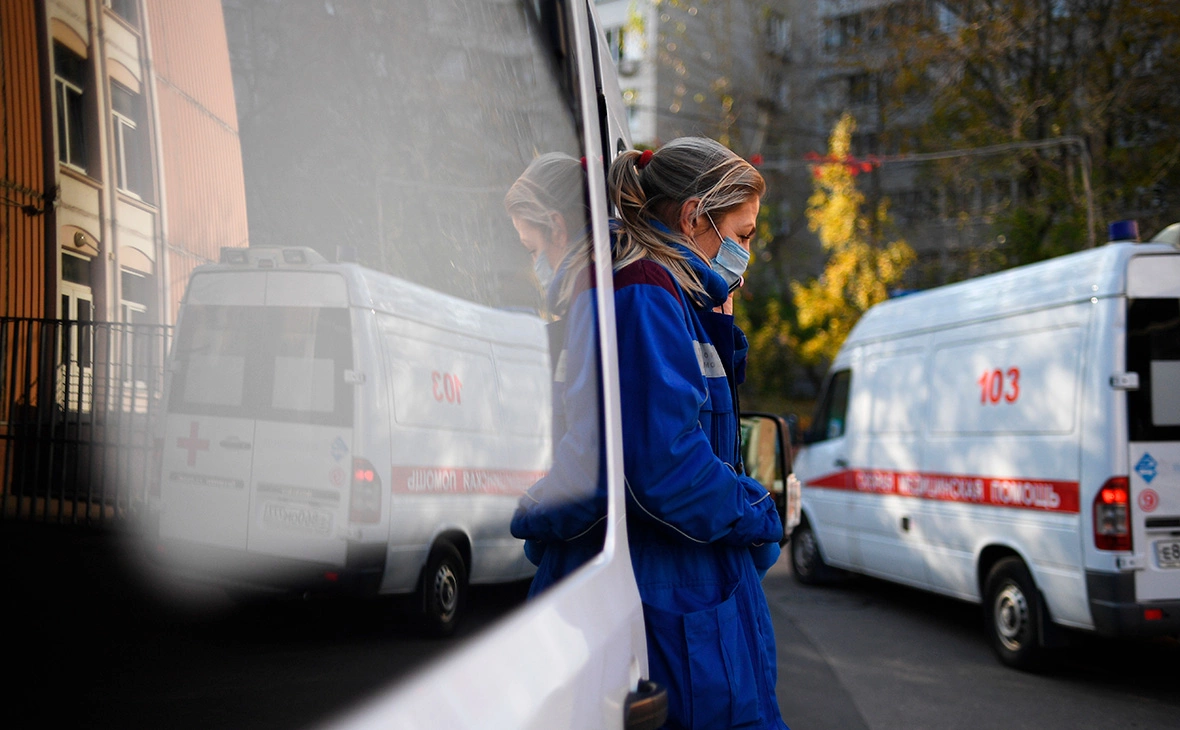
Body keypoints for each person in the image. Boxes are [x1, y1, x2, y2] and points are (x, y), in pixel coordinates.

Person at [607, 138, 787, 730]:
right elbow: (668, 466)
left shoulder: (676, 300)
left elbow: (708, 431)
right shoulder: (647, 294)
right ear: (693, 217)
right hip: (680, 593)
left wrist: (717, 320)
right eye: (743, 234)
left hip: (697, 594)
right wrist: (760, 511)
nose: (746, 253)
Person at [504, 153, 607, 596]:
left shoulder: (590, 298)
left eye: (533, 249)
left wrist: (529, 517)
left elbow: (586, 455)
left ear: (557, 227)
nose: (535, 265)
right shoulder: (589, 294)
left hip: (582, 555)